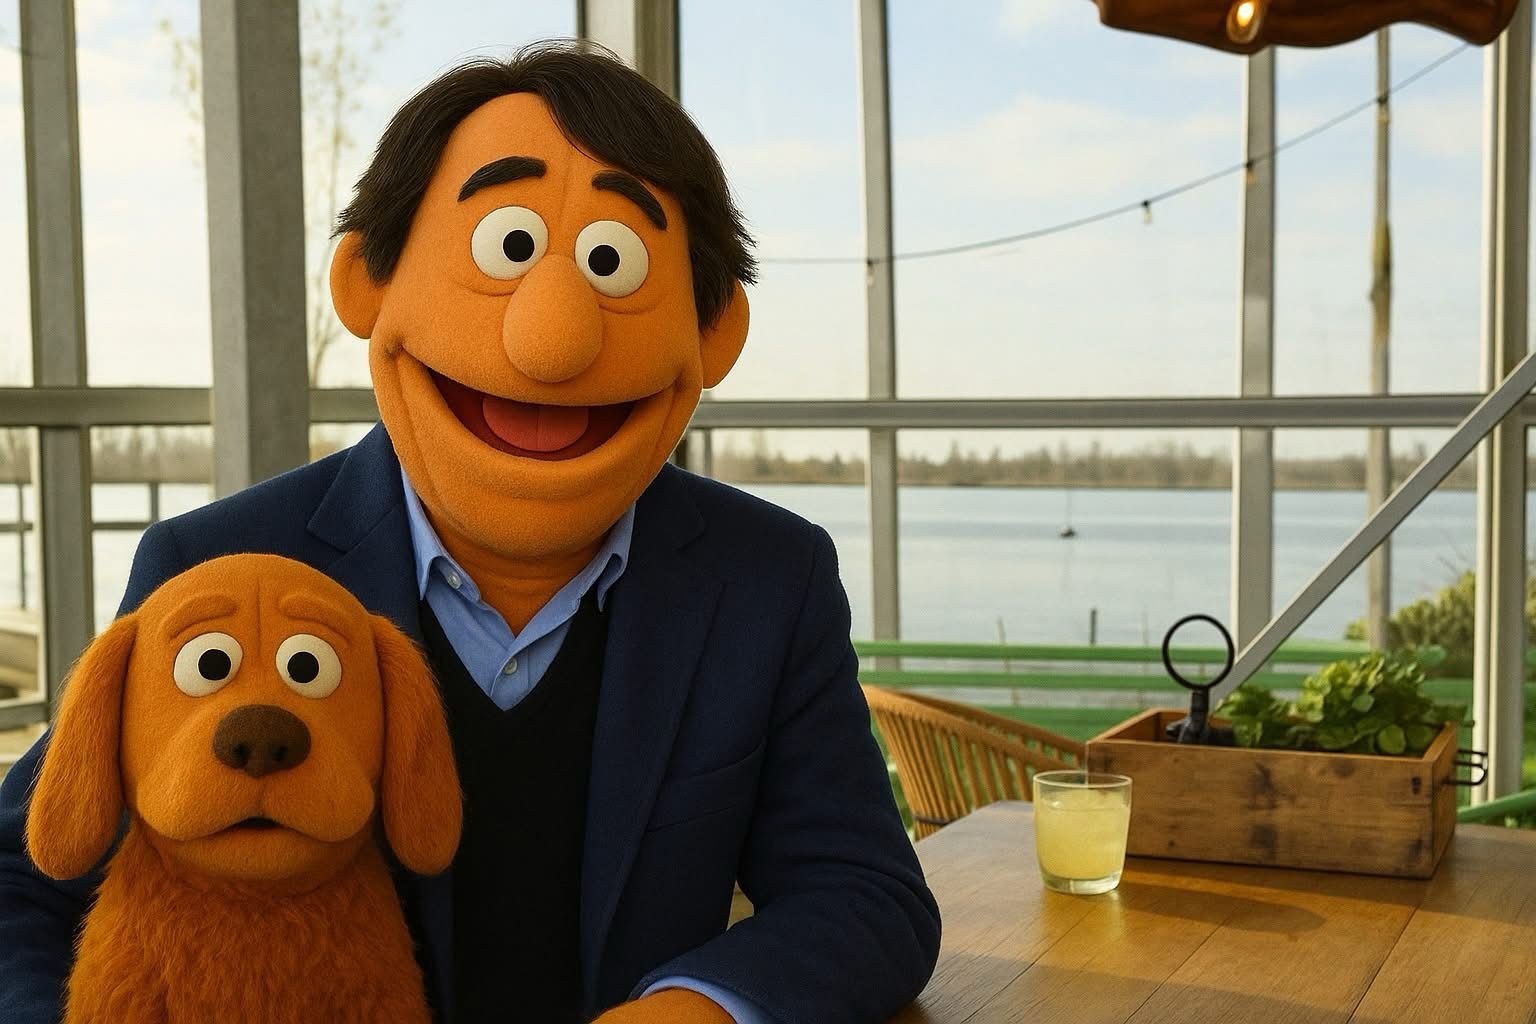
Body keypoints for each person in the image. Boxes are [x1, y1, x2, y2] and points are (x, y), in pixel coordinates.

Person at [0, 41, 939, 1024]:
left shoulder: (767, 580)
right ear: (368, 280)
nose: (552, 338)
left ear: (714, 332)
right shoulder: (217, 568)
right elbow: (24, 875)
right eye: (507, 248)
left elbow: (865, 892)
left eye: (611, 263)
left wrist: (695, 1009)